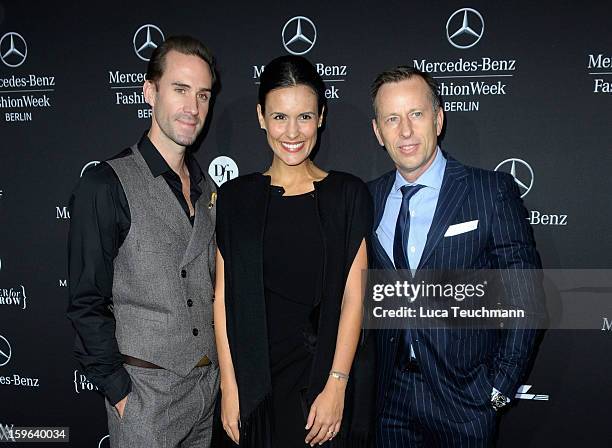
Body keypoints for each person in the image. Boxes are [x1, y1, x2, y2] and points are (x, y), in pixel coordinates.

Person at [368, 66, 543, 447]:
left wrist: (499, 387)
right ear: (378, 132)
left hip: (465, 399)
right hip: (389, 398)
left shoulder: (488, 190)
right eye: (392, 119)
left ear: (439, 118)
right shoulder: (368, 199)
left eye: (416, 114)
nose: (406, 131)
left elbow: (525, 292)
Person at [214, 55, 374, 447]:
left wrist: (337, 386)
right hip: (254, 387)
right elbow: (222, 298)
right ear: (260, 116)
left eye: (304, 116)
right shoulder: (235, 198)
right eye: (279, 116)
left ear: (320, 116)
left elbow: (355, 297)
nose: (292, 131)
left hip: (321, 388)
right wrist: (230, 388)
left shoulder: (347, 194)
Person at [67, 36, 219, 448]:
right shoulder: (105, 184)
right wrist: (121, 394)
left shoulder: (207, 190)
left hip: (207, 394)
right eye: (180, 90)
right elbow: (86, 301)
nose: (193, 107)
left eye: (203, 95)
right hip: (145, 401)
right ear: (150, 91)